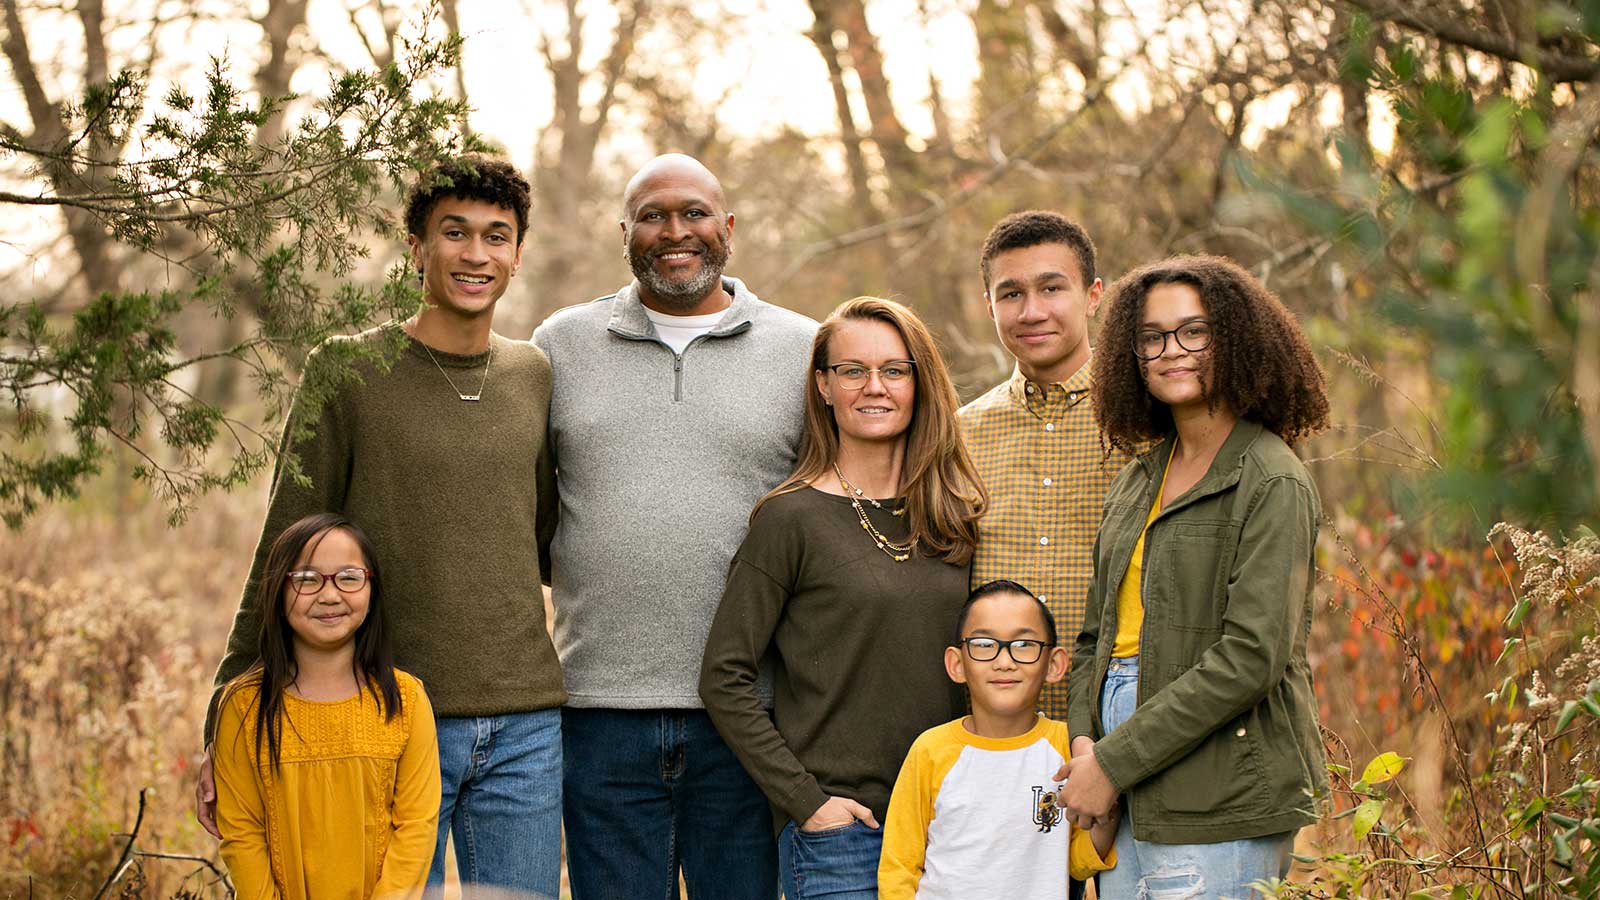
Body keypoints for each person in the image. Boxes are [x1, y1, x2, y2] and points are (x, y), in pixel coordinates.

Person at [199, 154, 567, 899]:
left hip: (524, 725)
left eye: (496, 236)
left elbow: (546, 541)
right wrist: (225, 713)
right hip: (383, 714)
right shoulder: (349, 372)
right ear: (417, 247)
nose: (475, 254)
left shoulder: (533, 375)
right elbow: (285, 546)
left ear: (518, 254)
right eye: (454, 232)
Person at [532, 153, 817, 899]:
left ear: (729, 227)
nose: (674, 231)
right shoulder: (561, 344)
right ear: (623, 232)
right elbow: (532, 513)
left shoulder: (802, 348)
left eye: (694, 213)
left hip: (750, 713)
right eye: (652, 216)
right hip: (599, 711)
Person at [1057, 254, 1331, 899]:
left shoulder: (1272, 478)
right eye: (1151, 337)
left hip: (1218, 783)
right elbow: (1097, 636)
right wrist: (1087, 747)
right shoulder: (1139, 478)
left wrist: (1114, 763)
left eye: (1194, 331)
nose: (1171, 351)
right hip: (1118, 772)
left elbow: (1251, 657)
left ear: (1234, 339)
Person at [700, 296, 987, 900]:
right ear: (824, 386)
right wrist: (805, 801)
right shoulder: (790, 518)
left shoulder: (953, 516)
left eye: (894, 370)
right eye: (853, 370)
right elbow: (724, 677)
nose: (874, 387)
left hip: (956, 819)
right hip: (846, 833)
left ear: (919, 383)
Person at [214, 513, 439, 900]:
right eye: (307, 579)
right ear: (279, 591)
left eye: (349, 577)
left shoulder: (405, 700)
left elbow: (416, 827)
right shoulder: (244, 706)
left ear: (371, 589)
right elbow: (242, 833)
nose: (330, 595)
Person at [957, 211, 1126, 725]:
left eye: (1052, 288)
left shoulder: (1144, 422)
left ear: (1092, 296)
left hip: (1120, 725)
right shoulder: (959, 434)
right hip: (995, 735)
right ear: (990, 306)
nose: (1032, 312)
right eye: (1011, 294)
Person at [878, 580, 1118, 899]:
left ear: (1054, 664)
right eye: (983, 644)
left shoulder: (1069, 746)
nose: (1004, 662)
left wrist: (1109, 808)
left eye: (1024, 645)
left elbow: (1076, 863)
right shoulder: (930, 750)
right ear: (957, 664)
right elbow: (898, 868)